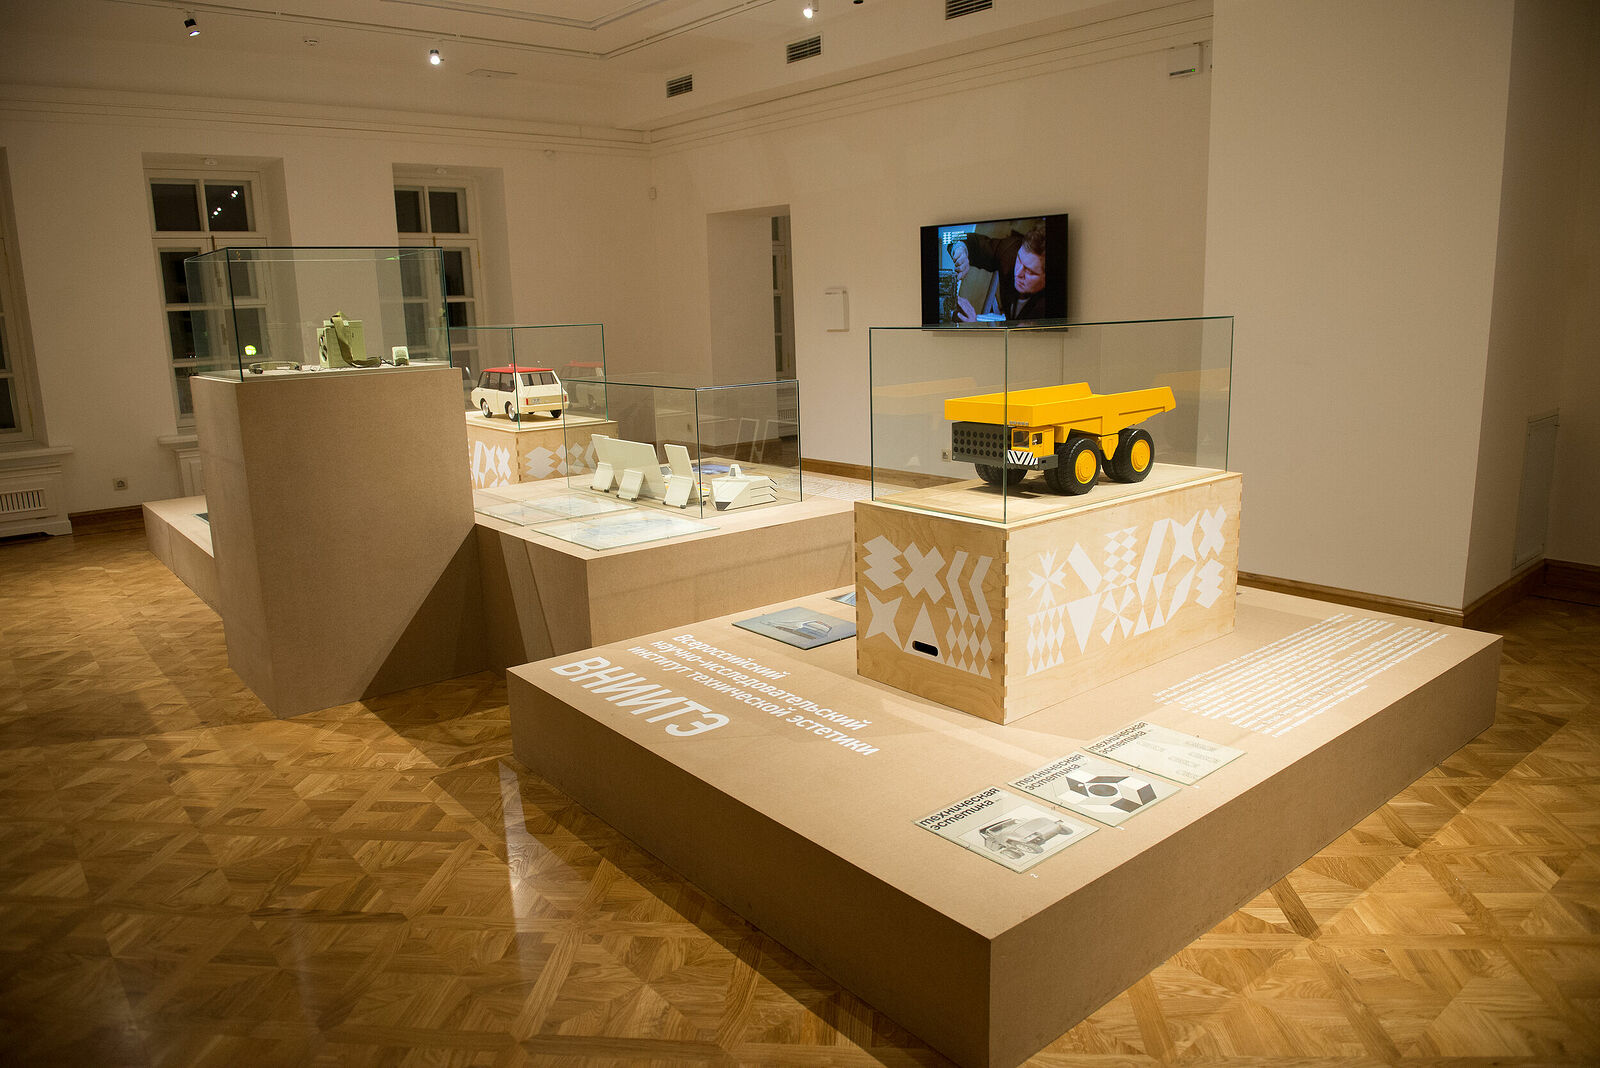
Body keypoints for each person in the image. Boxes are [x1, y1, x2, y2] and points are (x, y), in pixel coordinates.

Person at [946, 224, 1061, 321]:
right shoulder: (1010, 251)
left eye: (1030, 271)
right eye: (1019, 260)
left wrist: (975, 327)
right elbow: (967, 241)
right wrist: (961, 249)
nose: (1018, 273)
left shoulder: (1049, 306)